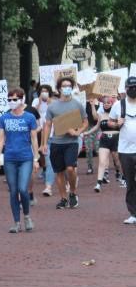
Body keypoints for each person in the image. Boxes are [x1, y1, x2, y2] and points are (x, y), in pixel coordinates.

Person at [0, 88, 40, 233]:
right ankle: (16, 222)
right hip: (9, 158)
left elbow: (34, 138)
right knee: (13, 191)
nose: (12, 102)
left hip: (26, 157)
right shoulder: (4, 118)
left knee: (22, 188)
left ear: (21, 100)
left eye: (15, 99)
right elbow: (1, 138)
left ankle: (26, 216)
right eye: (9, 99)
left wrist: (36, 158)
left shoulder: (29, 117)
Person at [41, 76, 88, 209]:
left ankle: (72, 192)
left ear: (72, 88)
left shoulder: (77, 104)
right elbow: (48, 125)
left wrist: (78, 132)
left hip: (72, 142)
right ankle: (63, 198)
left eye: (69, 86)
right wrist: (44, 143)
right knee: (59, 172)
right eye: (64, 86)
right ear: (59, 89)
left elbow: (85, 122)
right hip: (56, 142)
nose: (67, 88)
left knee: (70, 168)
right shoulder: (53, 106)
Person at [108, 76, 136, 224]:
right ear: (126, 89)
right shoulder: (119, 105)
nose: (133, 90)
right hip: (125, 150)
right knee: (130, 181)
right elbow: (108, 122)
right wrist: (116, 124)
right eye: (131, 87)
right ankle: (133, 213)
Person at [84, 96, 124, 192]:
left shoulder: (117, 114)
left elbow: (121, 124)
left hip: (116, 139)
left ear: (112, 104)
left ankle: (120, 173)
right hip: (104, 139)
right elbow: (97, 126)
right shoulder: (101, 115)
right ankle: (98, 183)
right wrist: (87, 132)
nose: (106, 104)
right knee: (102, 161)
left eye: (108, 103)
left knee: (117, 161)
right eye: (105, 103)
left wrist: (115, 124)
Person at [32, 84, 56, 196]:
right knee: (42, 154)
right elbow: (33, 112)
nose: (44, 93)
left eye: (46, 91)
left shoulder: (53, 101)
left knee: (51, 159)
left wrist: (49, 101)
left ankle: (49, 184)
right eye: (42, 91)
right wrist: (40, 102)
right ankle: (46, 173)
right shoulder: (36, 101)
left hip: (51, 130)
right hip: (39, 127)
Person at [84, 98, 100, 174]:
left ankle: (103, 167)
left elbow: (95, 117)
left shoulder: (99, 103)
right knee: (88, 148)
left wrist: (93, 105)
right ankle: (90, 167)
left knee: (98, 149)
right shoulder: (84, 103)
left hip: (97, 127)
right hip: (88, 128)